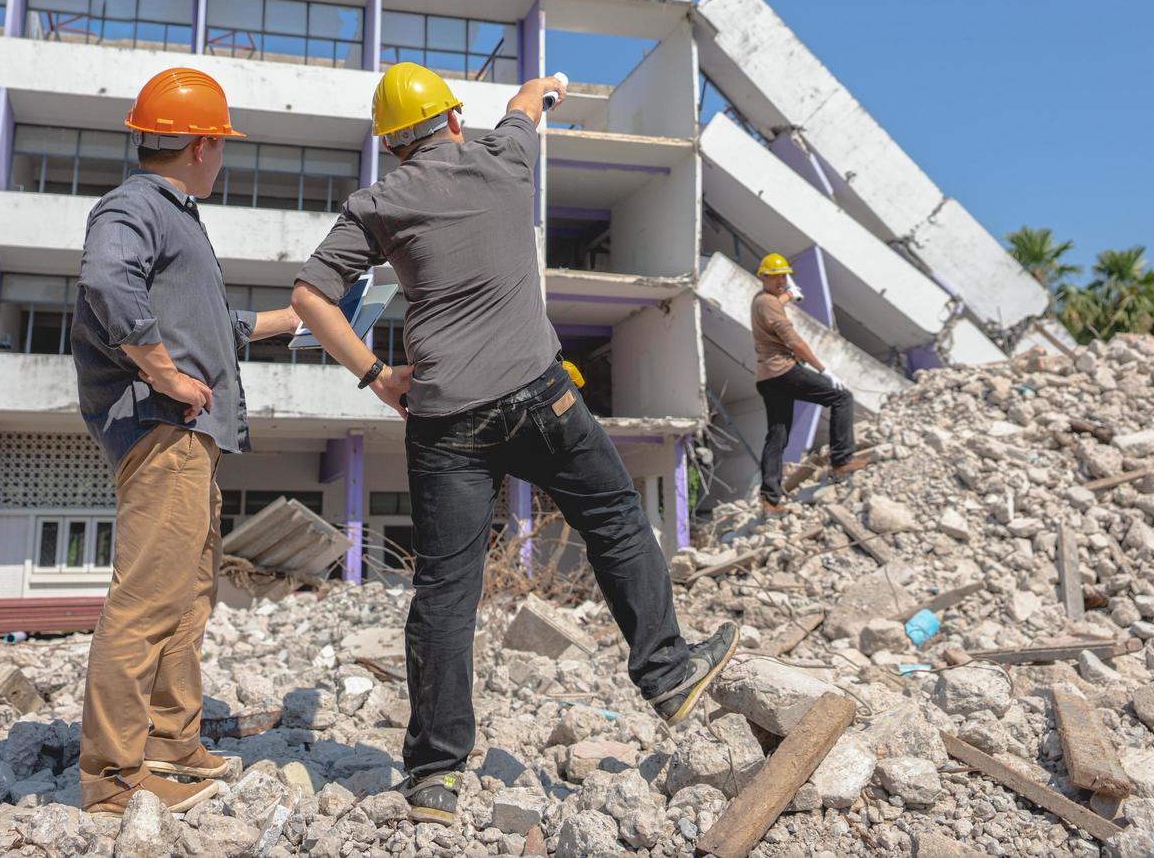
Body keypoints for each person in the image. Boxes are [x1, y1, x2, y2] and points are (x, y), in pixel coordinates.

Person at [291, 63, 738, 826]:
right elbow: (527, 104)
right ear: (453, 121)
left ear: (394, 146)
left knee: (446, 591)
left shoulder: (377, 205)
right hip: (541, 396)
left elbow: (308, 298)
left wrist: (375, 376)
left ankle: (434, 775)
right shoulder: (505, 156)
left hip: (444, 419)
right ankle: (667, 673)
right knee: (616, 521)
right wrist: (551, 85)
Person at [72, 67, 300, 814]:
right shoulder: (137, 205)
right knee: (146, 602)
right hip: (164, 430)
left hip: (189, 436)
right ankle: (111, 779)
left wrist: (289, 323)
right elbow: (108, 281)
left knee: (186, 599)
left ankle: (171, 746)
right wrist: (164, 373)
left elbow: (211, 329)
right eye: (220, 143)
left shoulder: (174, 216)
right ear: (201, 144)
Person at [750, 251, 868, 515]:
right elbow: (795, 342)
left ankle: (770, 499)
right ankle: (841, 461)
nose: (781, 280)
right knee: (841, 397)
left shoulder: (762, 300)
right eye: (776, 277)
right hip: (783, 370)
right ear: (763, 277)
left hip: (767, 377)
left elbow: (776, 301)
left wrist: (789, 295)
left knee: (777, 434)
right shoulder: (769, 303)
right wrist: (823, 369)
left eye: (784, 276)